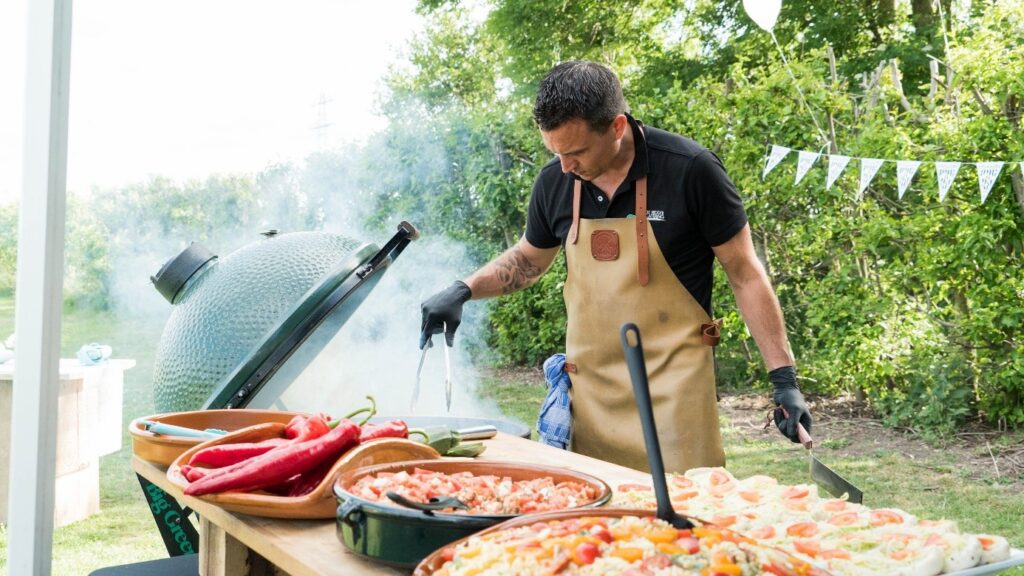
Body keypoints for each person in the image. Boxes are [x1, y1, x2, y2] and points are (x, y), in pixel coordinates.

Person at [419, 60, 811, 473]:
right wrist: (465, 289)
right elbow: (530, 260)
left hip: (675, 398)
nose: (565, 166)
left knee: (681, 523)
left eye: (576, 151)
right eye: (555, 152)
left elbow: (745, 274)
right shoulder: (555, 180)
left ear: (617, 126)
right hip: (590, 400)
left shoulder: (690, 170)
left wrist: (783, 380)